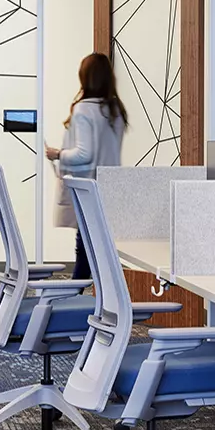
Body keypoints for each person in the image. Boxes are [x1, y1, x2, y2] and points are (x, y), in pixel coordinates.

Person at [45, 52, 127, 282]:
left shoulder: (84, 110)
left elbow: (84, 154)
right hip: (111, 187)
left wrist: (58, 154)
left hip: (89, 188)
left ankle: (76, 295)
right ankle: (96, 297)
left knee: (85, 248)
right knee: (97, 248)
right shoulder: (115, 111)